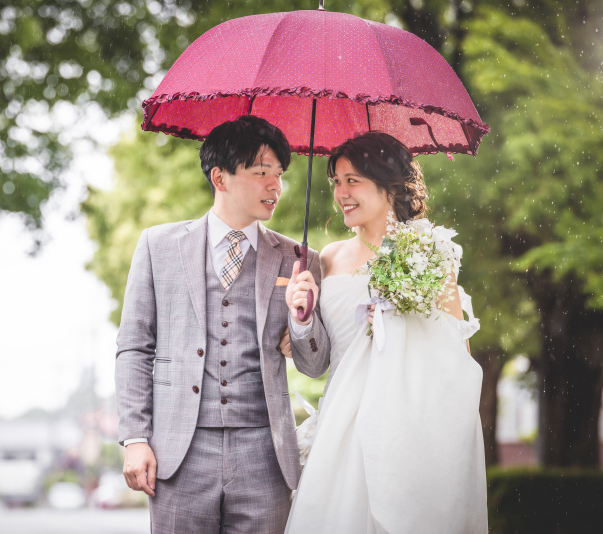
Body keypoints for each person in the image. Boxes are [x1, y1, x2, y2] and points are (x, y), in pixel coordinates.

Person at [116, 115, 331, 533]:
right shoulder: (158, 246)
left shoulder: (301, 260)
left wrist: (303, 321)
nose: (275, 186)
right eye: (261, 172)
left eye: (280, 174)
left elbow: (314, 365)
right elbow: (134, 347)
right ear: (220, 177)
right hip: (180, 452)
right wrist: (136, 438)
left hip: (265, 454)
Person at [284, 132, 488, 533]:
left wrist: (396, 323)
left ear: (389, 184)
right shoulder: (328, 258)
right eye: (336, 182)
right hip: (342, 423)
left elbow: (456, 349)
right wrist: (300, 316)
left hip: (407, 426)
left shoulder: (428, 251)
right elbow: (315, 356)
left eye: (353, 180)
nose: (341, 193)